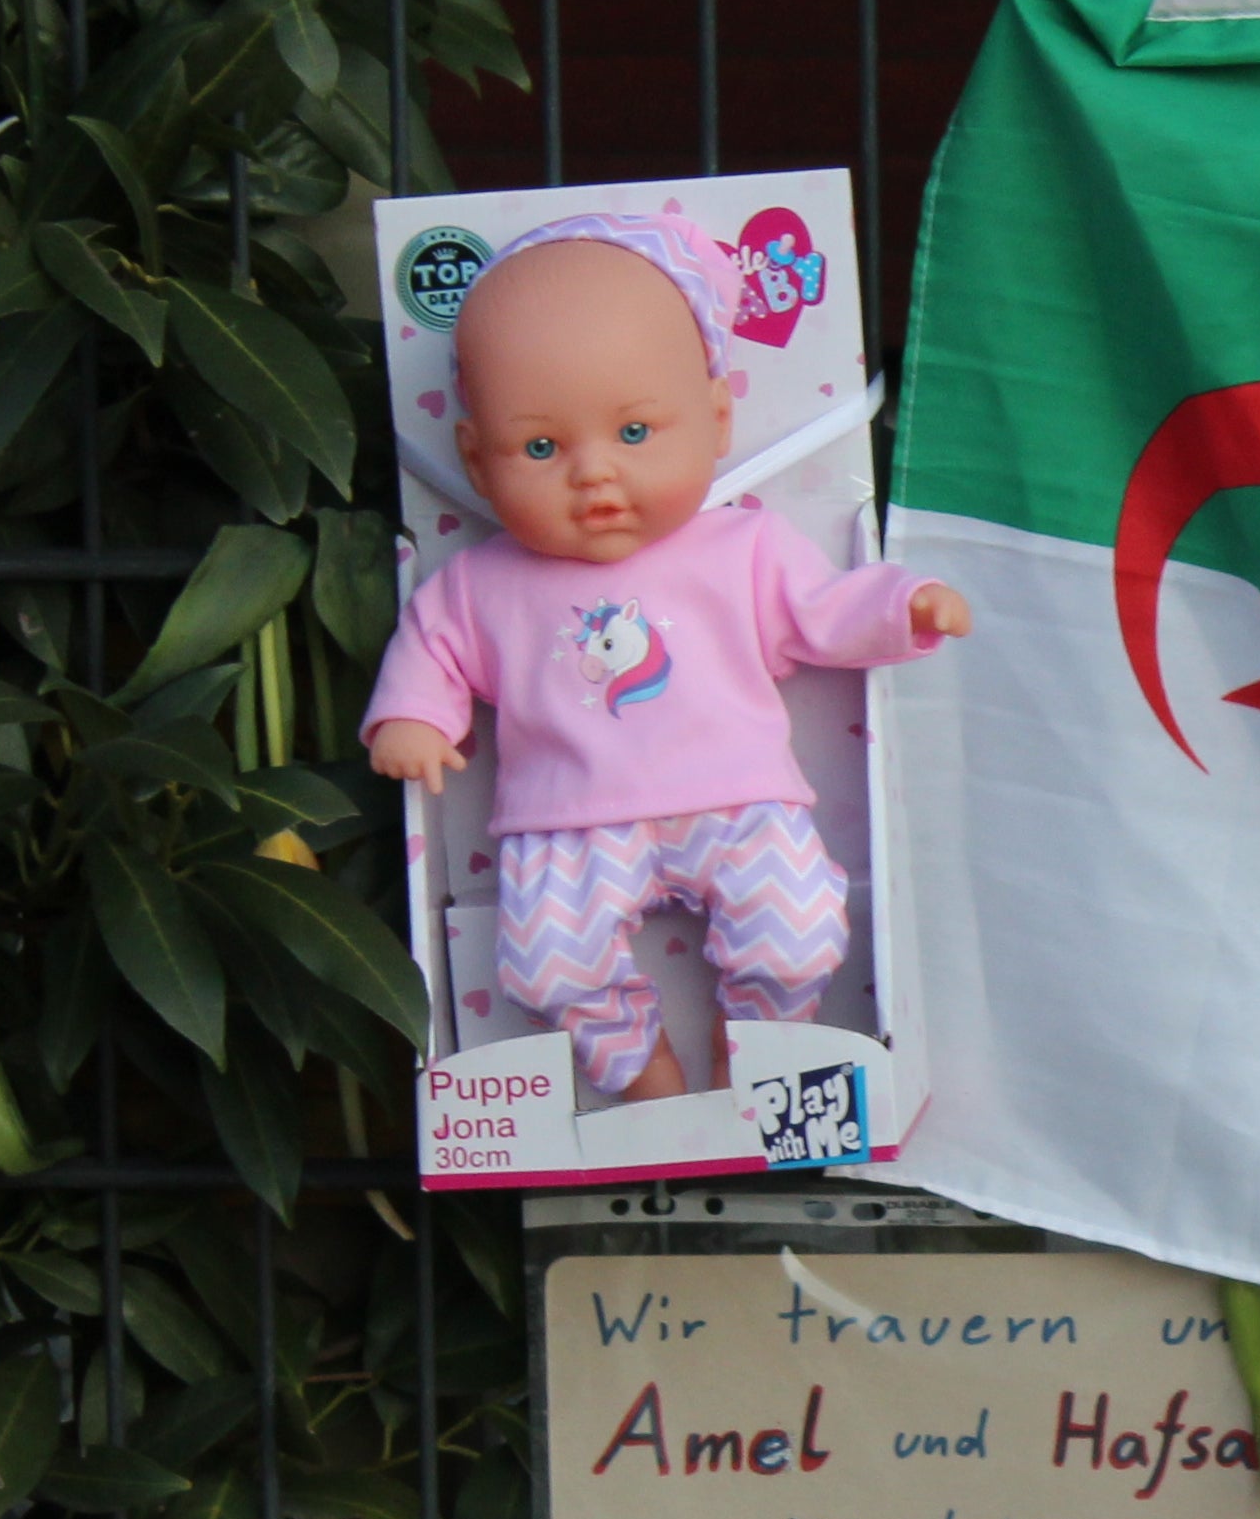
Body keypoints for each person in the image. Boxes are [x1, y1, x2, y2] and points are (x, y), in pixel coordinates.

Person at [366, 210, 966, 1102]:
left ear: (717, 419)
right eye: (541, 447)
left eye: (636, 433)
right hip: (564, 819)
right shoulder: (479, 584)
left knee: (797, 930)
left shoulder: (742, 549)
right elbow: (431, 649)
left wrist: (903, 603)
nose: (593, 475)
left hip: (740, 799)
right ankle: (637, 1069)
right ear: (476, 462)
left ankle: (754, 1048)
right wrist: (412, 717)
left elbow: (824, 608)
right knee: (546, 965)